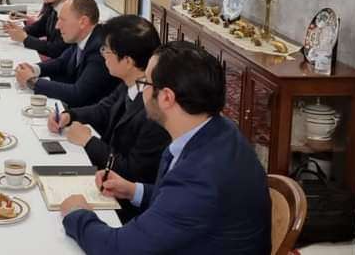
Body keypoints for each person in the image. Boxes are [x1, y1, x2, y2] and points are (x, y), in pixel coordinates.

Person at [59, 41, 271, 255]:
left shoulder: (200, 177)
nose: (142, 91)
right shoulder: (218, 129)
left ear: (166, 97)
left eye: (145, 83)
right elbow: (179, 202)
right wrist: (134, 190)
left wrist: (78, 213)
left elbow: (117, 249)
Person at [48, 14, 170, 220]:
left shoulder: (154, 111)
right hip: (106, 181)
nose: (103, 54)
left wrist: (88, 141)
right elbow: (103, 109)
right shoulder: (129, 83)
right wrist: (70, 115)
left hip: (125, 204)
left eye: (107, 50)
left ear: (128, 61)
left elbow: (132, 171)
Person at [14, 0, 119, 108]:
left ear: (83, 22)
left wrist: (33, 82)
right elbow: (61, 62)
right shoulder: (82, 36)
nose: (57, 26)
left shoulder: (100, 49)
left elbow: (78, 94)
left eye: (62, 20)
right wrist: (33, 69)